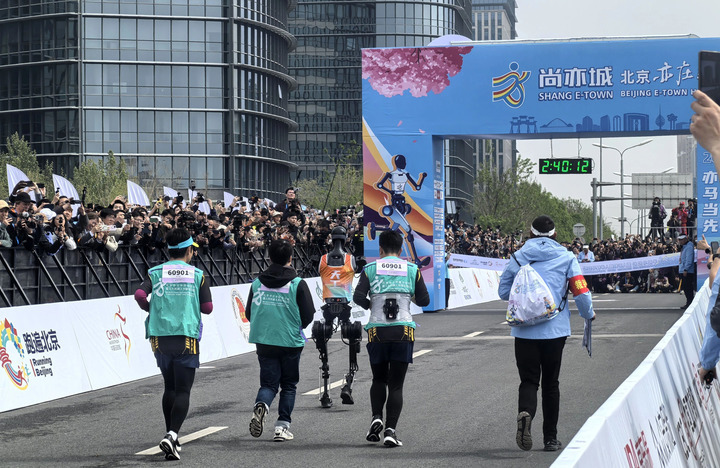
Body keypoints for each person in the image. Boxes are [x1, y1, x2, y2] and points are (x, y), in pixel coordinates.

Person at [498, 215, 594, 452]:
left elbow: (503, 291)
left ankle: (526, 412)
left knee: (529, 381)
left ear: (530, 233)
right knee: (551, 384)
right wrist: (588, 314)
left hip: (524, 331)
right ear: (555, 235)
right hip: (555, 330)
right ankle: (550, 438)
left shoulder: (518, 257)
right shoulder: (567, 257)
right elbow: (580, 290)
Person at [133, 228, 213, 460]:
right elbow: (207, 308)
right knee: (183, 390)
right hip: (186, 335)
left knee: (169, 387)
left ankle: (171, 439)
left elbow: (139, 295)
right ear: (189, 251)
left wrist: (151, 308)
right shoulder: (197, 275)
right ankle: (172, 434)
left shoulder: (155, 272)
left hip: (159, 336)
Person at [353, 229, 430, 447]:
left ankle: (376, 417)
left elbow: (358, 296)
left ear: (380, 249)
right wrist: (408, 296)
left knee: (378, 379)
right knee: (396, 385)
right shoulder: (412, 269)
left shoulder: (370, 269)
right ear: (401, 248)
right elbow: (424, 300)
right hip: (403, 330)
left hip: (377, 330)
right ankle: (390, 430)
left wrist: (371, 305)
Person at [246, 239, 315, 442]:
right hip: (290, 340)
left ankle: (262, 404)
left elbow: (249, 312)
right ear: (290, 258)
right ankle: (282, 427)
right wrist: (297, 326)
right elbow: (308, 314)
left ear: (269, 258)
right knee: (289, 385)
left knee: (268, 384)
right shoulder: (297, 283)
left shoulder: (257, 283)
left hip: (264, 340)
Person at [678, 234, 696, 309]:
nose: (680, 241)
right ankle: (689, 302)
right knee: (686, 288)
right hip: (683, 269)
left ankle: (690, 303)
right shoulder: (684, 247)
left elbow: (689, 259)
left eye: (681, 239)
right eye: (679, 240)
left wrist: (686, 269)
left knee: (688, 288)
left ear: (686, 239)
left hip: (687, 271)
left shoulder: (689, 247)